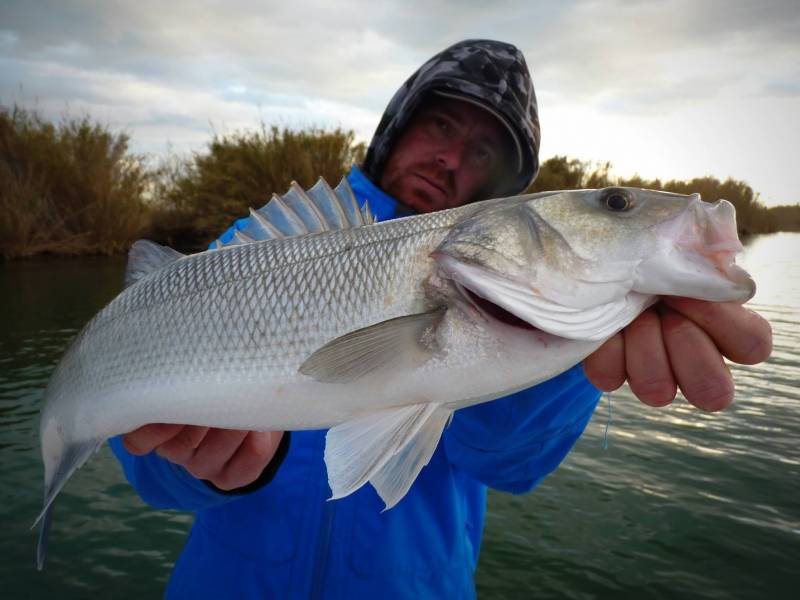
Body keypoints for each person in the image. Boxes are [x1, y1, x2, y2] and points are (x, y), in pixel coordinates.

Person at [110, 39, 772, 598]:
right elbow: (144, 467)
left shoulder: (548, 304)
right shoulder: (261, 248)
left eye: (485, 151)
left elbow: (506, 464)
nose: (453, 158)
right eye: (443, 126)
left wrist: (573, 344)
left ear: (506, 186)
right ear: (399, 126)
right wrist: (200, 466)